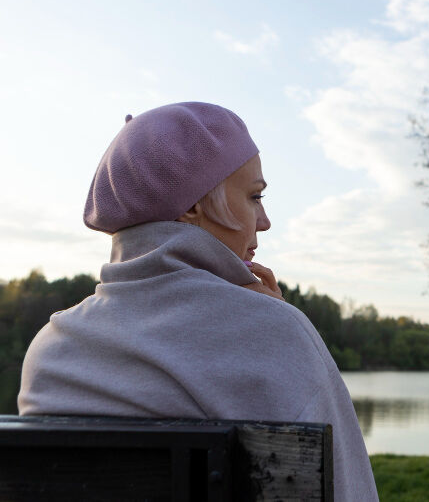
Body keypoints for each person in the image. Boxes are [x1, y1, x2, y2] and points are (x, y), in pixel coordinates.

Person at [18, 102, 378, 501]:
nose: (265, 221)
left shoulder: (50, 349)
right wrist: (282, 323)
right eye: (255, 196)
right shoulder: (275, 334)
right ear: (191, 205)